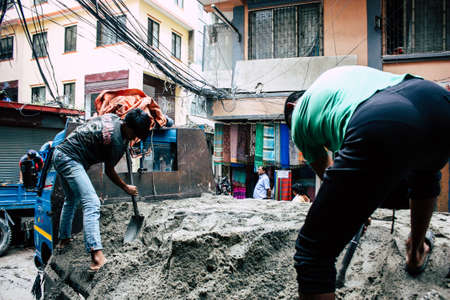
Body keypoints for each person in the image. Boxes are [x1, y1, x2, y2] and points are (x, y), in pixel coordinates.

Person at [283, 65, 450, 300]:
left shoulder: (300, 116)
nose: (294, 134)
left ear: (291, 108)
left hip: (382, 115)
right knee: (425, 172)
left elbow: (330, 176)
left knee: (313, 252)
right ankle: (415, 251)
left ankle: (415, 250)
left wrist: (356, 213)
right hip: (435, 98)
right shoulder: (335, 81)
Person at [54, 108, 151, 271]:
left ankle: (64, 239)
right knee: (91, 203)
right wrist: (126, 187)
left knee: (71, 199)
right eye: (135, 134)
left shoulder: (114, 118)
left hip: (60, 153)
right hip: (69, 158)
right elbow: (109, 171)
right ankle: (96, 256)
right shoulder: (116, 141)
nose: (134, 138)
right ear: (127, 126)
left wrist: (127, 139)